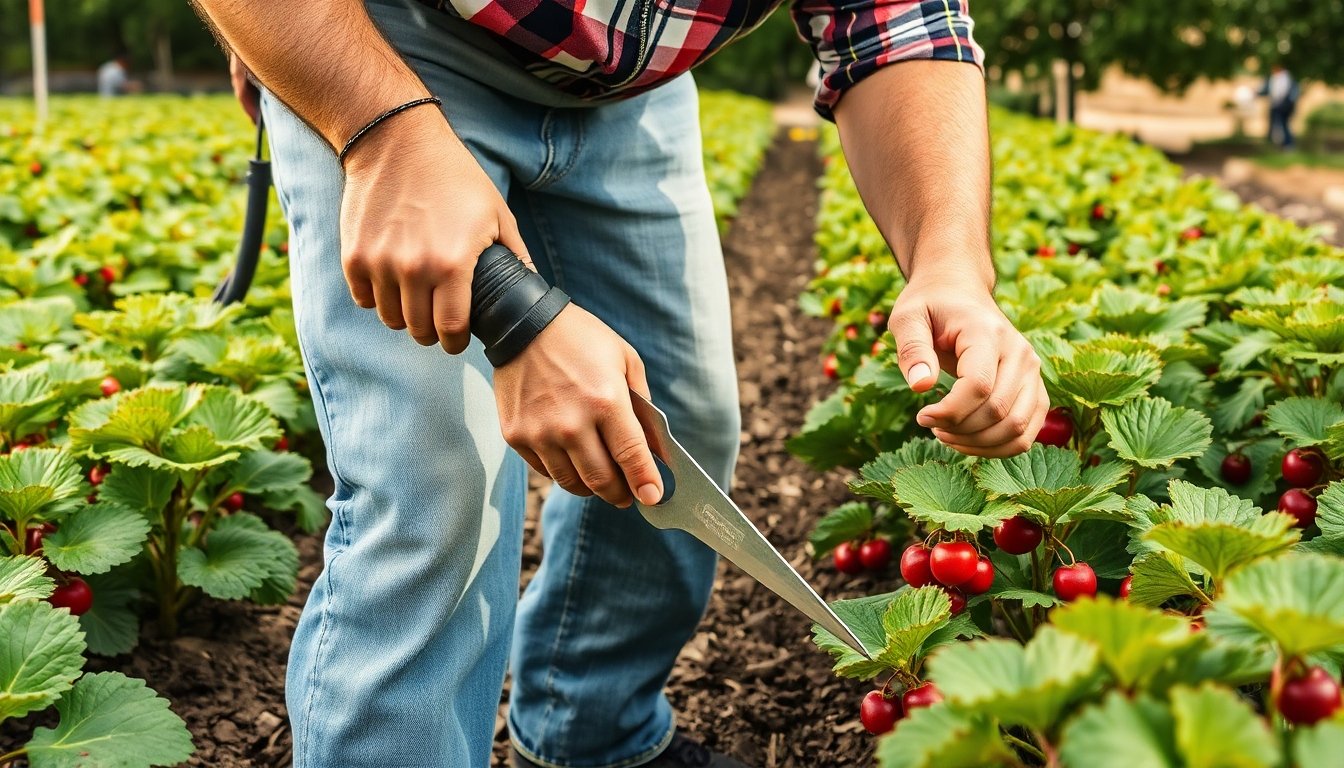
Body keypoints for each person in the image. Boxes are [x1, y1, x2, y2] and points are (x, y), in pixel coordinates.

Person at [193, 0, 1048, 766]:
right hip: (389, 51)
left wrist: (949, 261)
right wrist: (381, 131)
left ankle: (589, 729)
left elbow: (897, 24)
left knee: (678, 430)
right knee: (436, 491)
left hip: (631, 89)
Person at [1261, 64, 1300, 149]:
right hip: (1279, 105)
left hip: (1283, 106)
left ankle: (1288, 144)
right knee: (1279, 124)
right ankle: (1283, 143)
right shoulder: (1280, 78)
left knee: (1283, 124)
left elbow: (1282, 93)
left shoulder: (1283, 78)